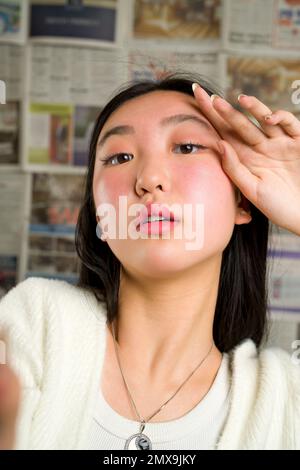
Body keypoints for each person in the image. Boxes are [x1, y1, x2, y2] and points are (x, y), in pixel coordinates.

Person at [0, 72, 300, 450]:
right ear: (101, 219)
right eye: (120, 156)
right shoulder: (32, 327)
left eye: (187, 147)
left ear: (242, 199)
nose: (149, 179)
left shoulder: (286, 403)